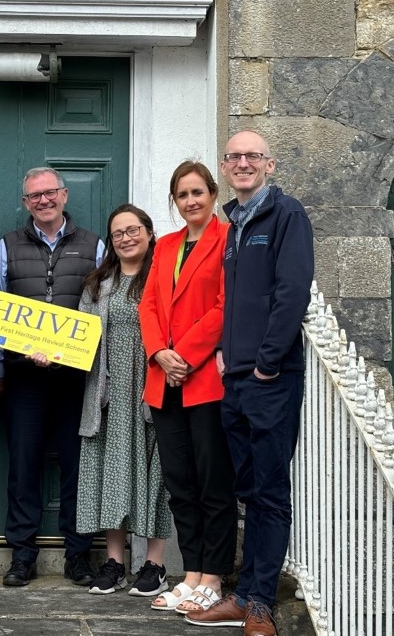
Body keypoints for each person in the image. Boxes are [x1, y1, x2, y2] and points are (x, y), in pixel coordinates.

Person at [187, 132, 313, 636]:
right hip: (235, 379)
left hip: (270, 377)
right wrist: (224, 356)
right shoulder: (235, 223)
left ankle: (259, 602)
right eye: (234, 157)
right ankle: (244, 594)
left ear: (269, 165)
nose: (242, 163)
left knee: (269, 492)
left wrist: (266, 363)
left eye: (252, 157)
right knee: (247, 489)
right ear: (225, 166)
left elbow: (292, 292)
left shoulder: (286, 216)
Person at [0, 167, 105, 587]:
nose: (43, 201)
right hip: (25, 378)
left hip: (76, 377)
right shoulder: (7, 246)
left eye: (50, 193)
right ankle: (22, 555)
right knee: (23, 465)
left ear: (64, 195)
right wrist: (2, 368)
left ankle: (78, 555)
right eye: (34, 196)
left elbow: (100, 309)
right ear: (25, 203)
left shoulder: (95, 245)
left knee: (78, 466)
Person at [138, 160, 237, 614]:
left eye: (198, 192)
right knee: (180, 483)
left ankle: (213, 577)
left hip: (203, 381)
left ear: (212, 195)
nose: (191, 201)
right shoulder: (165, 245)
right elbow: (150, 305)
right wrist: (160, 352)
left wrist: (186, 355)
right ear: (174, 201)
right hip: (164, 380)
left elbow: (223, 307)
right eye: (183, 195)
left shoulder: (227, 240)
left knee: (212, 482)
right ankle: (191, 573)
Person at [76, 204, 172, 596]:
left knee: (155, 475)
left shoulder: (163, 277)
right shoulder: (98, 284)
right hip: (108, 393)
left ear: (149, 233)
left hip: (151, 390)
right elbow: (79, 336)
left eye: (134, 230)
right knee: (110, 473)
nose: (127, 238)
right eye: (118, 233)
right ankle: (115, 562)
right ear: (111, 242)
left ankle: (155, 564)